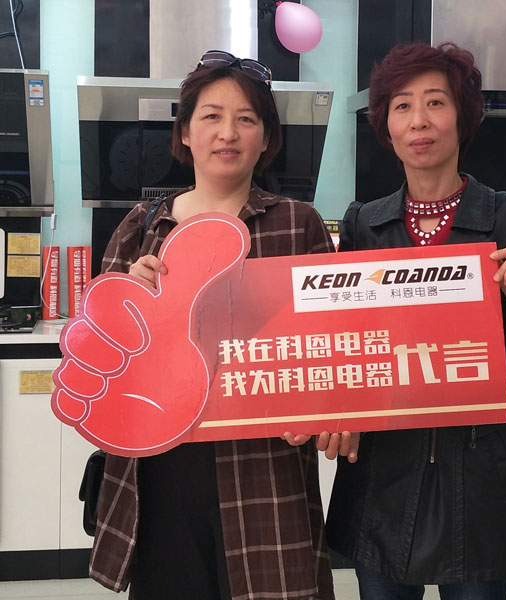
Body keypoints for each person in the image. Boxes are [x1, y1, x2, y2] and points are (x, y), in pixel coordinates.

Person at [324, 41, 506, 599]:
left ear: (462, 118)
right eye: (402, 106)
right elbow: (343, 343)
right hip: (383, 474)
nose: (419, 120)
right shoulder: (363, 225)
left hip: (479, 475)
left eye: (435, 102)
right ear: (386, 126)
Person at [89, 51, 338, 600]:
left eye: (247, 119)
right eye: (211, 116)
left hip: (265, 473)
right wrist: (127, 303)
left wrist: (326, 412)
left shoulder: (298, 225)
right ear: (185, 132)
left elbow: (327, 348)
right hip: (159, 475)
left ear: (266, 138)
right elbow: (98, 357)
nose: (228, 133)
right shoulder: (142, 227)